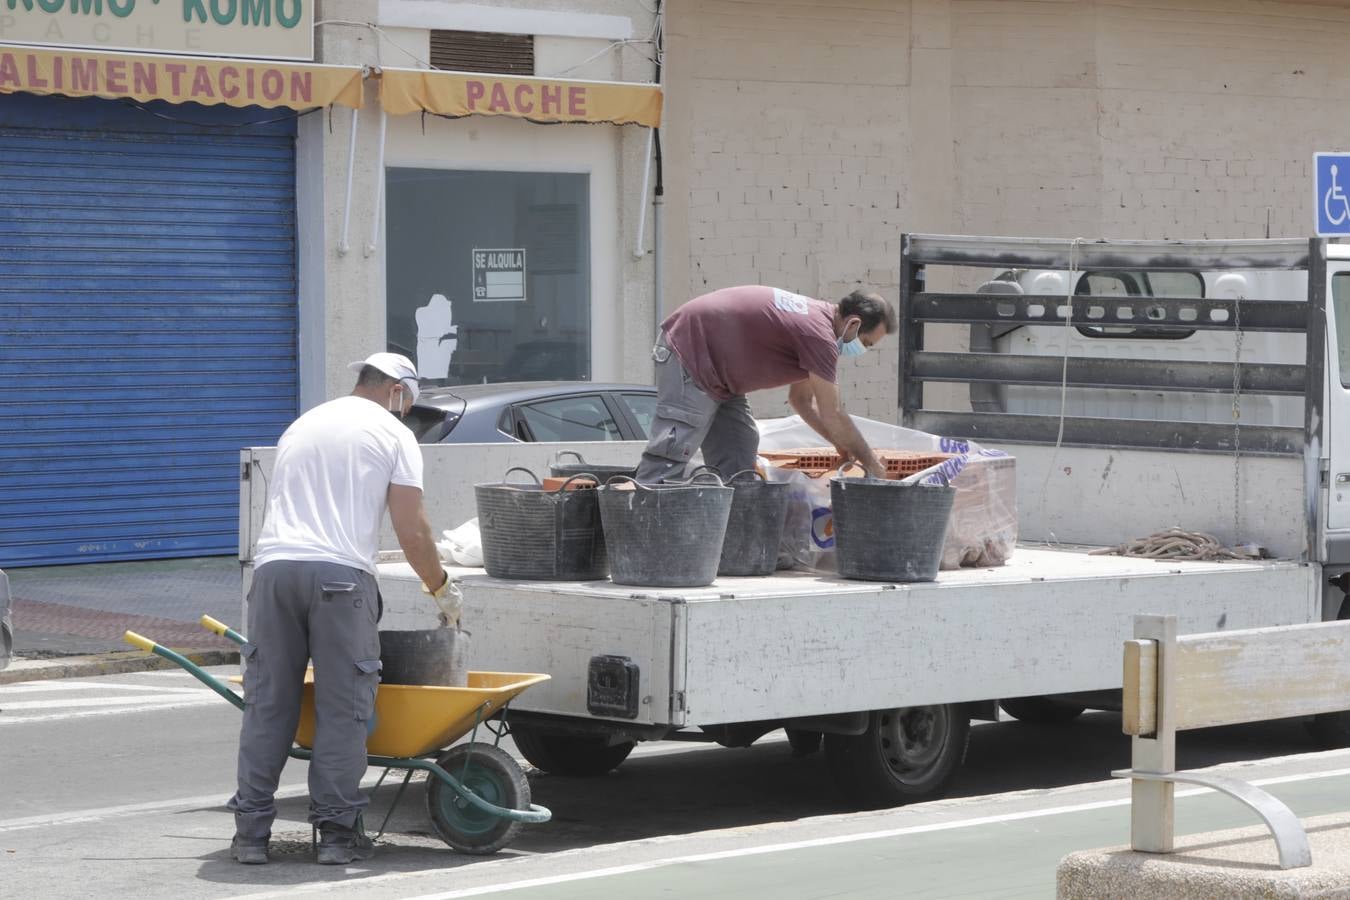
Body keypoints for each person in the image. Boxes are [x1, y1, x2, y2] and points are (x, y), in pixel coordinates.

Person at [227, 352, 450, 866]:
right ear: (398, 390)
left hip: (273, 572)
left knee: (268, 704)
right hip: (338, 578)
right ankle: (334, 836)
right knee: (343, 709)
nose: (408, 413)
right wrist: (439, 585)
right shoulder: (394, 436)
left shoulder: (304, 423)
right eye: (410, 403)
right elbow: (411, 529)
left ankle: (251, 837)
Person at [635, 286, 897, 483]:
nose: (862, 350)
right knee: (670, 454)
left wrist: (840, 444)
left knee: (739, 453)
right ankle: (639, 542)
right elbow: (833, 412)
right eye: (867, 343)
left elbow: (801, 401)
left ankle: (734, 549)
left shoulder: (816, 327)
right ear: (853, 323)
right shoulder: (818, 335)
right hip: (689, 352)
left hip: (722, 379)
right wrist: (872, 463)